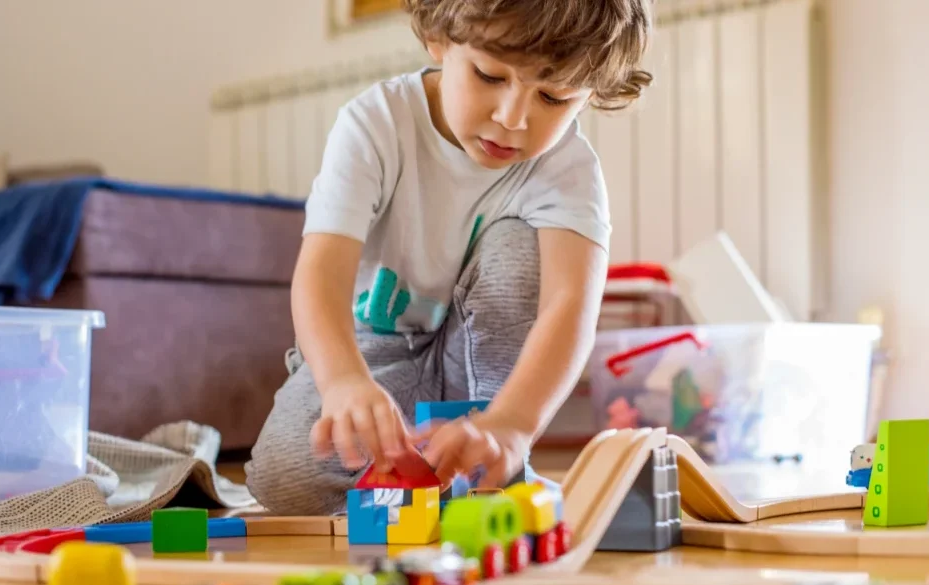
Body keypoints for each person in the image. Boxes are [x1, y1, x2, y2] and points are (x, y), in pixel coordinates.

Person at [245, 0, 654, 515]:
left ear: (590, 95)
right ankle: (434, 469)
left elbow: (569, 307)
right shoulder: (375, 122)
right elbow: (321, 271)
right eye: (488, 75)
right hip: (372, 347)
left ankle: (486, 460)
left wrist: (512, 425)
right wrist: (344, 381)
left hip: (480, 359)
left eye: (553, 97)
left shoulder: (568, 168)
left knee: (522, 248)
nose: (513, 119)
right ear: (437, 38)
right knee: (287, 480)